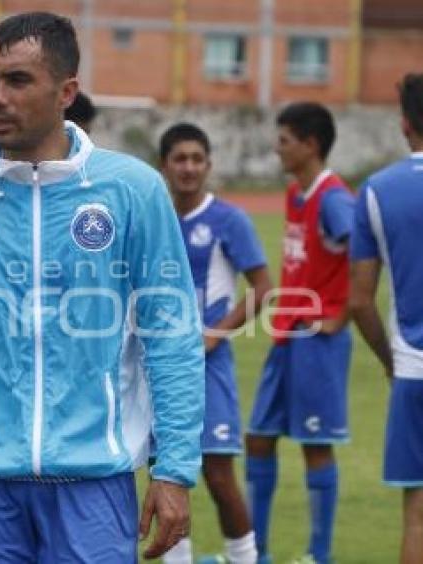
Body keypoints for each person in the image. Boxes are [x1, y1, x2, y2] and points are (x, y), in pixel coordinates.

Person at [0, 11, 205, 564]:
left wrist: (173, 468)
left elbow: (170, 336)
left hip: (94, 479)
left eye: (17, 80)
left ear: (66, 91)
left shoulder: (132, 191)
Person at [245, 102, 355, 564]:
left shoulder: (334, 199)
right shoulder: (297, 193)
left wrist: (340, 315)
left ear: (310, 145)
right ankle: (257, 553)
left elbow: (366, 253)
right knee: (258, 437)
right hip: (288, 336)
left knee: (315, 446)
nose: (277, 147)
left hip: (318, 342)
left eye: (284, 139)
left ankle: (319, 555)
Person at [158, 123, 272, 564]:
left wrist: (214, 334)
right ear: (163, 165)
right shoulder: (157, 220)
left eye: (197, 159)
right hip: (161, 368)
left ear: (208, 165)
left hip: (209, 368)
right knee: (166, 474)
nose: (189, 168)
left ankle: (245, 558)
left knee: (220, 476)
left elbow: (263, 288)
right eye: (179, 159)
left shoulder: (228, 220)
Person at [349, 73, 423, 564]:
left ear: (403, 122)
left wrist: (392, 361)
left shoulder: (376, 190)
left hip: (414, 368)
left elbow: (359, 300)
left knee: (417, 515)